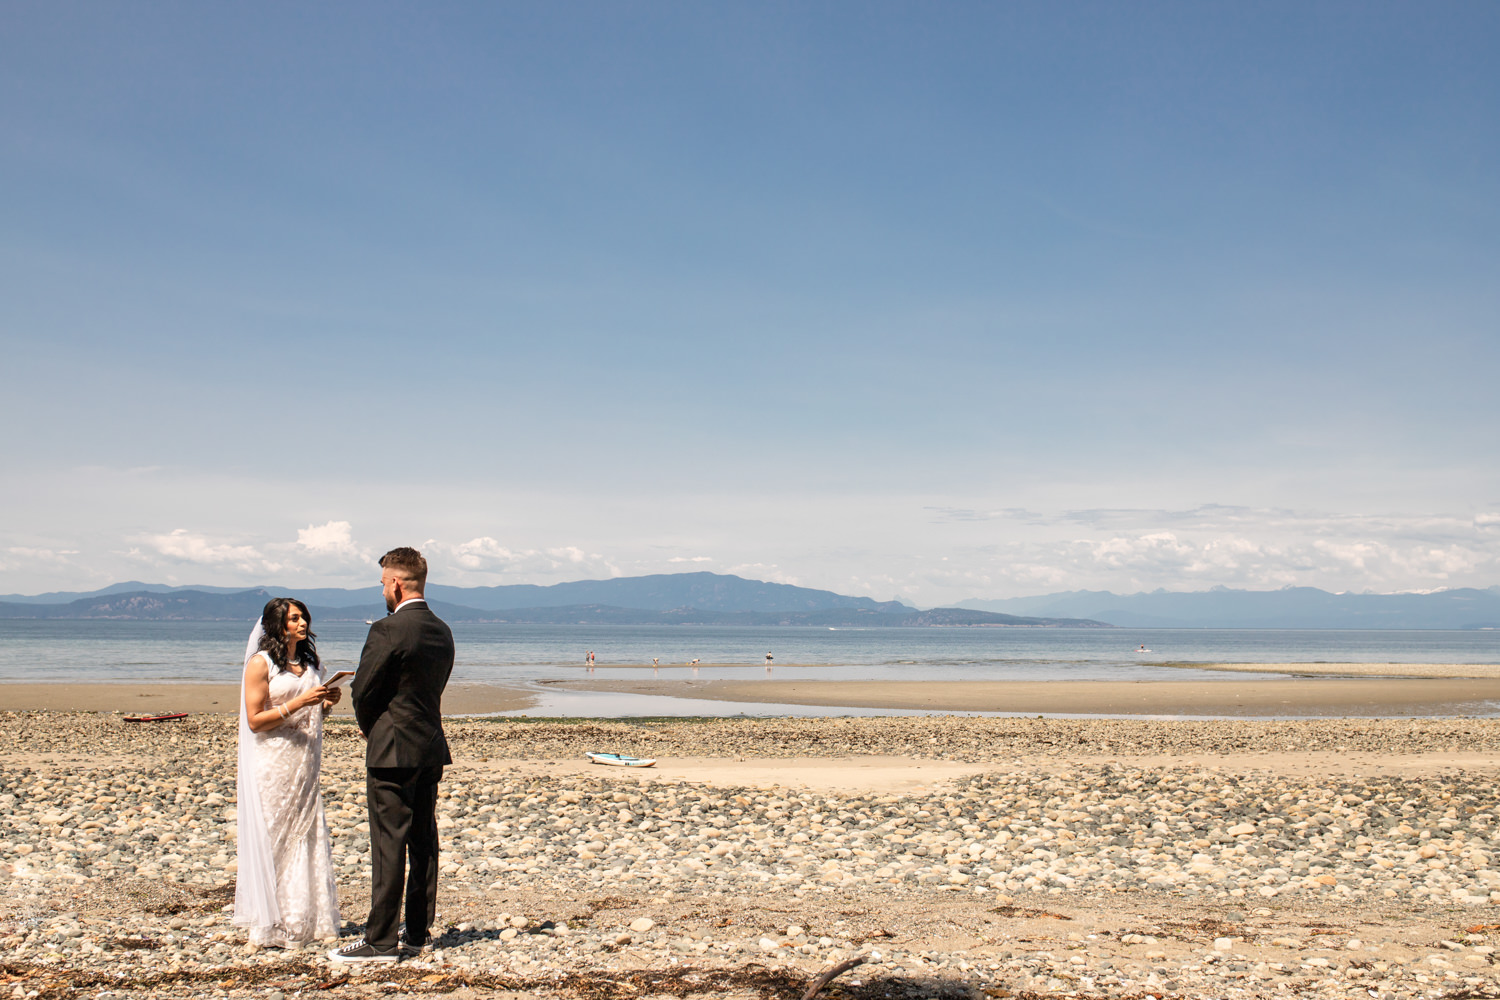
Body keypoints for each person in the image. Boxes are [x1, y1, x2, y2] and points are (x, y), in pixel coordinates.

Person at [330, 547, 454, 964]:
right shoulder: (442, 630)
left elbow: (363, 689)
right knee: (423, 841)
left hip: (392, 748)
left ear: (396, 584)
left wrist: (373, 730)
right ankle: (418, 931)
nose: (383, 589)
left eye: (384, 582)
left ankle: (380, 940)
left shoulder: (387, 629)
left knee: (388, 844)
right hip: (429, 744)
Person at [234, 597, 341, 948]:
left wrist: (325, 703)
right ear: (278, 625)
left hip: (306, 759)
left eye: (304, 617)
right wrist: (300, 702)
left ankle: (305, 917)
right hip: (274, 759)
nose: (302, 623)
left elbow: (313, 713)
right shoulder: (260, 663)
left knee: (306, 834)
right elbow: (255, 721)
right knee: (276, 832)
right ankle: (269, 921)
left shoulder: (310, 662)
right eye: (294, 618)